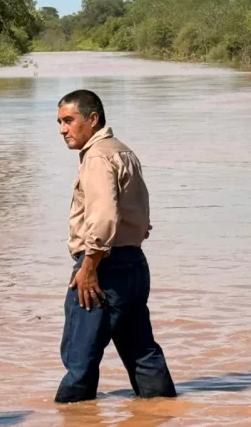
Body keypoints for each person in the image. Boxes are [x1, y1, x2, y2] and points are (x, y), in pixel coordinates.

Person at [54, 89, 176, 403]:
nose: (63, 130)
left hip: (103, 266)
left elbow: (104, 218)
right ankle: (164, 413)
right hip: (133, 263)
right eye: (60, 122)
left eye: (69, 120)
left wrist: (89, 267)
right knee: (142, 353)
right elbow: (139, 214)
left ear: (93, 119)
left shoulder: (97, 157)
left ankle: (71, 417)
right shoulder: (123, 150)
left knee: (79, 358)